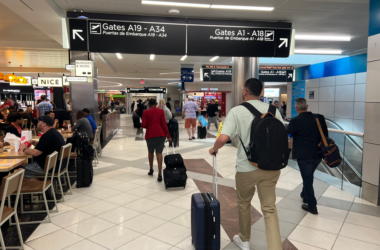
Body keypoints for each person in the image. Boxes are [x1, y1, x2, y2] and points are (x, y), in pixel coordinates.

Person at [208, 78, 284, 250]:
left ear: (244, 92)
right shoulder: (274, 110)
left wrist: (214, 148)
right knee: (269, 208)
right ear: (261, 92)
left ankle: (244, 240)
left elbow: (223, 138)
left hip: (246, 168)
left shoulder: (237, 111)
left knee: (244, 204)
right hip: (271, 166)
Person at [287, 98, 328, 215]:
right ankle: (304, 194)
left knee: (307, 179)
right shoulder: (319, 118)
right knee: (309, 176)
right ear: (307, 106)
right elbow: (325, 135)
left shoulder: (295, 121)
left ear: (296, 108)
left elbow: (288, 134)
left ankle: (312, 206)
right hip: (319, 154)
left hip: (304, 155)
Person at [141, 99, 172, 182]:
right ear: (156, 104)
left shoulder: (145, 112)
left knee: (150, 152)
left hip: (150, 135)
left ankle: (151, 170)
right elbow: (164, 125)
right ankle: (160, 174)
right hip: (161, 135)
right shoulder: (161, 111)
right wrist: (168, 136)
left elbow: (143, 125)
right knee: (159, 153)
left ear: (149, 104)